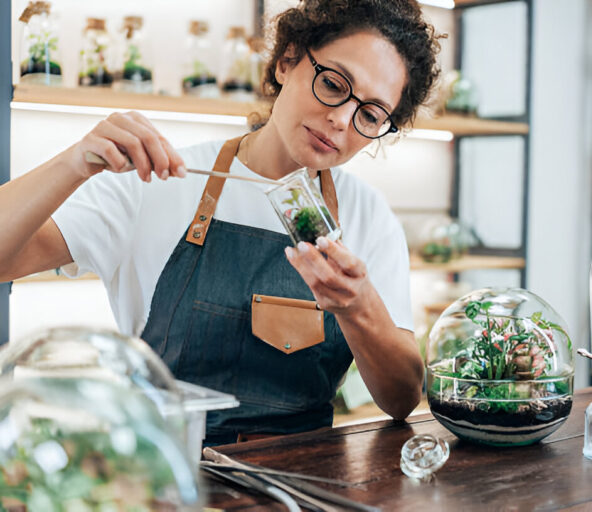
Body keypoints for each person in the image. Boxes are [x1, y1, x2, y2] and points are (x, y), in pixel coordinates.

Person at [0, 0, 442, 444]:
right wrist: (74, 163)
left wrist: (358, 306)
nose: (342, 120)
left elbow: (402, 399)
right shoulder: (158, 180)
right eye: (332, 83)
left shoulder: (367, 215)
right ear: (287, 60)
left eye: (369, 115)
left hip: (306, 481)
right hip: (167, 473)